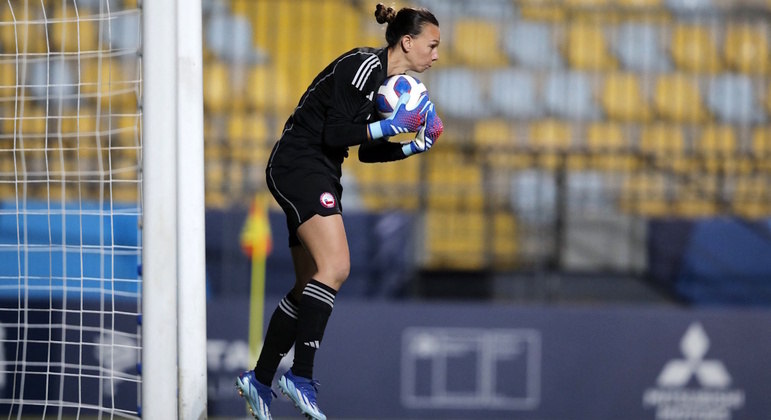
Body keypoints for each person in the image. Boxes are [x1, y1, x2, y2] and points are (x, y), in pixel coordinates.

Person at [235, 3, 443, 420]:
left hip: (321, 170)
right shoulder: (363, 66)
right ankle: (301, 376)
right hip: (300, 162)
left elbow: (364, 152)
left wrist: (412, 144)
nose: (436, 55)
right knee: (337, 266)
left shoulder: (386, 82)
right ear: (407, 41)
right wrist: (392, 124)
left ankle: (258, 379)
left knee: (308, 283)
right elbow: (334, 133)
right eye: (432, 45)